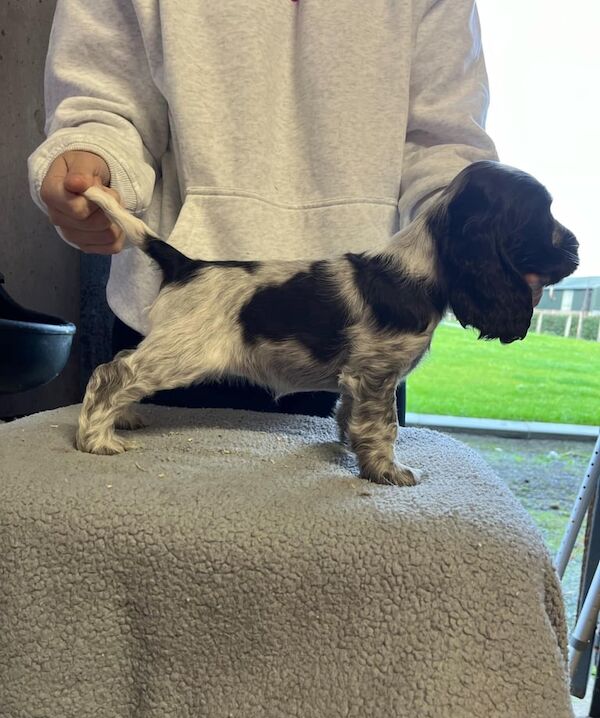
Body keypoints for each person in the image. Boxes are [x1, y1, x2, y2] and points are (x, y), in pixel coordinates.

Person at [28, 0, 512, 416]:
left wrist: (488, 238)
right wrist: (95, 154)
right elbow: (103, 98)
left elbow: (442, 140)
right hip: (190, 299)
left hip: (373, 316)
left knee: (358, 509)